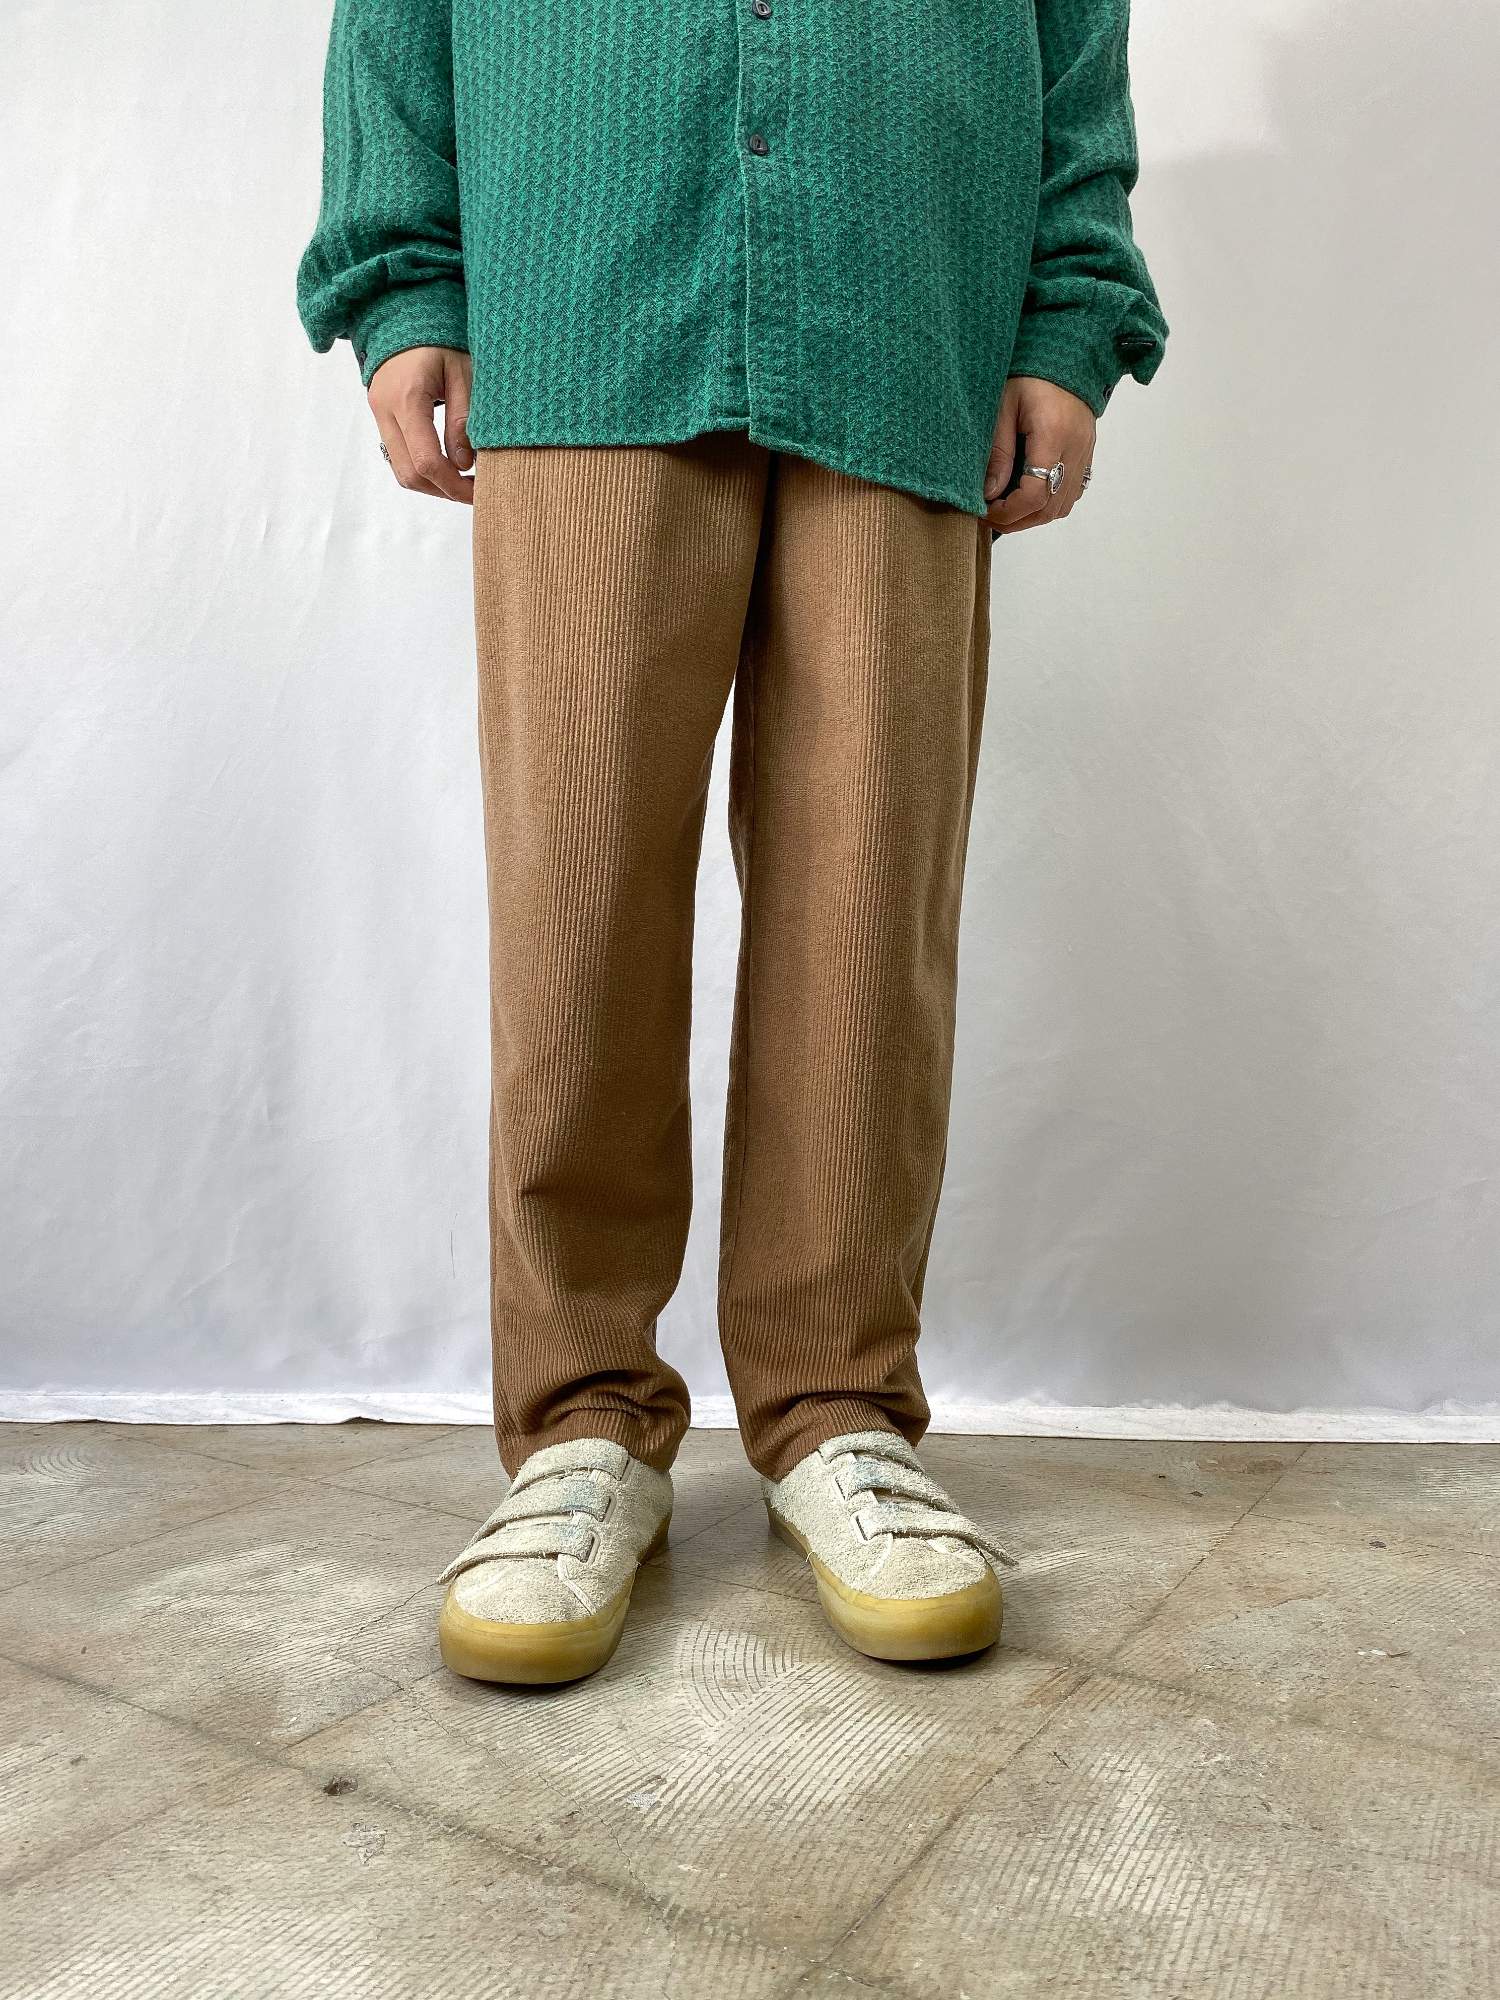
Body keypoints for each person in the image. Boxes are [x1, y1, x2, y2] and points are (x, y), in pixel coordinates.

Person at [297, 0, 1166, 1685]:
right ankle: (581, 1424)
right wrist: (406, 288)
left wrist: (1068, 319)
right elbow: (397, 27)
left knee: (870, 906)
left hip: (904, 327)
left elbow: (1074, 47)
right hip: (582, 312)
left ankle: (838, 1408)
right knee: (577, 903)